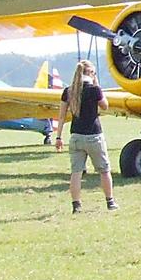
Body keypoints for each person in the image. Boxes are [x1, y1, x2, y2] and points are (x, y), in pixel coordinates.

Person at [62, 60, 116, 213]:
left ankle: (76, 205)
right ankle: (110, 201)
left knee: (76, 173)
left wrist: (58, 137)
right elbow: (105, 105)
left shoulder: (68, 91)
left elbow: (61, 117)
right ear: (91, 74)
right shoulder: (94, 90)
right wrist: (98, 85)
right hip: (94, 135)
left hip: (76, 136)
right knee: (104, 170)